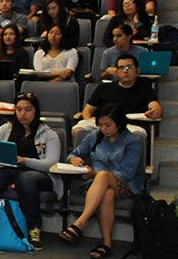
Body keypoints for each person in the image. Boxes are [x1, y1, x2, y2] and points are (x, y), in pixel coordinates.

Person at [0, 92, 61, 250]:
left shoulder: (49, 134)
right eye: (19, 109)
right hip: (10, 169)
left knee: (26, 179)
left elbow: (51, 163)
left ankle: (33, 228)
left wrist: (26, 161)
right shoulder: (6, 128)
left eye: (28, 110)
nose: (22, 114)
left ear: (36, 111)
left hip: (39, 174)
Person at [59, 105, 145, 259]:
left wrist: (96, 173)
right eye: (100, 125)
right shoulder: (94, 136)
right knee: (107, 193)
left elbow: (127, 173)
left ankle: (80, 223)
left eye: (108, 125)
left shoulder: (132, 141)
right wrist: (73, 159)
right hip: (96, 186)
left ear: (118, 124)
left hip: (125, 186)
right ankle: (106, 244)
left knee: (104, 176)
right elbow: (73, 153)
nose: (103, 129)